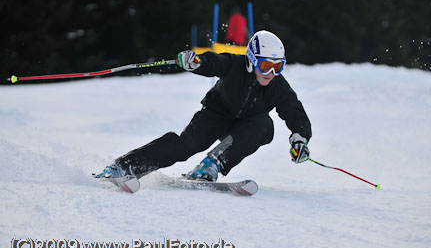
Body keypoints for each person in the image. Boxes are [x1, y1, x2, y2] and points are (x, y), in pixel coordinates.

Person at [95, 30, 312, 183]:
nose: (270, 73)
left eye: (277, 67)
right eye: (265, 65)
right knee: (186, 146)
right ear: (252, 59)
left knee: (266, 125)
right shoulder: (235, 65)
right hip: (215, 116)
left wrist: (300, 138)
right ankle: (124, 166)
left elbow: (294, 110)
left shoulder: (278, 86)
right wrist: (196, 62)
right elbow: (215, 62)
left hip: (245, 127)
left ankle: (212, 164)